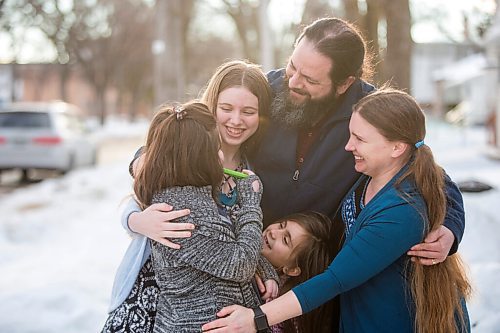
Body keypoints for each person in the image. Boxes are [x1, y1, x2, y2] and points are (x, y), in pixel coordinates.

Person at [128, 17, 465, 270]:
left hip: (313, 268)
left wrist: (449, 230)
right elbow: (190, 129)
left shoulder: (370, 114)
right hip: (245, 254)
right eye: (292, 66)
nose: (293, 81)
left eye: (310, 79)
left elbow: (426, 172)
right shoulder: (264, 90)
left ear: (345, 82)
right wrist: (144, 163)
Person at [201, 88, 472, 333]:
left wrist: (255, 319)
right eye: (350, 134)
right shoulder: (370, 174)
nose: (348, 146)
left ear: (397, 147)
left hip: (397, 320)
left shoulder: (402, 212)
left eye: (360, 139)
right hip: (359, 313)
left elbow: (335, 279)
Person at [102, 60, 276, 332]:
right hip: (156, 295)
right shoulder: (181, 152)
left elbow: (241, 243)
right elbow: (143, 190)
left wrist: (262, 269)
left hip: (220, 306)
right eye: (226, 108)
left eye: (249, 111)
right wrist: (137, 221)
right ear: (212, 106)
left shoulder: (254, 171)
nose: (236, 120)